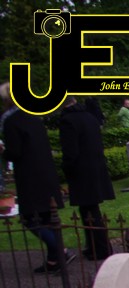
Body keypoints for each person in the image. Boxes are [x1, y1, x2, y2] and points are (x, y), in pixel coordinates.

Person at [0, 83, 73, 274]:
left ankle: (61, 251)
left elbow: (15, 152)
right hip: (46, 174)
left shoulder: (11, 121)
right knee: (48, 218)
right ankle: (53, 260)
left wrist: (3, 151)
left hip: (30, 177)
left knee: (31, 219)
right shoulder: (34, 117)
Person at [59, 96, 115, 260]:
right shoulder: (89, 116)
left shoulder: (68, 121)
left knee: (90, 211)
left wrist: (66, 169)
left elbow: (70, 151)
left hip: (82, 170)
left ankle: (101, 248)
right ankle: (93, 246)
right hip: (95, 167)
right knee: (89, 210)